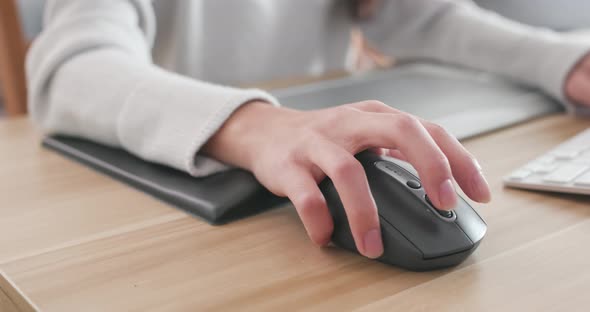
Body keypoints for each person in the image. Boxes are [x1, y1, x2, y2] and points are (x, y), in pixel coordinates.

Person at [27, 0, 590, 259]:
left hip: (329, 148)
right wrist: (261, 126)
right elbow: (72, 68)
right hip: (159, 205)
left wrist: (564, 62)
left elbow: (406, 15)